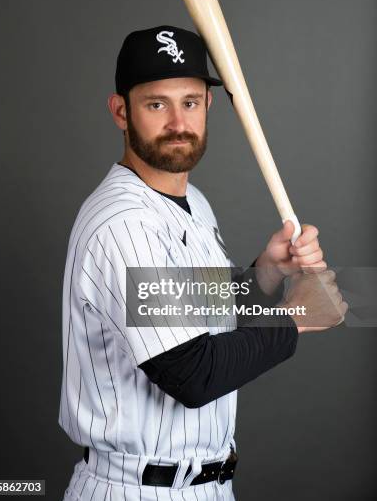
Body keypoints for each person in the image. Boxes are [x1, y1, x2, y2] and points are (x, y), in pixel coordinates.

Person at [59, 25, 347, 500]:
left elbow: (194, 315)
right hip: (136, 489)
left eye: (190, 102)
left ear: (208, 106)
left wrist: (265, 275)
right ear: (120, 112)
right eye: (156, 104)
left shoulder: (190, 200)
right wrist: (295, 318)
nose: (178, 121)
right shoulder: (123, 223)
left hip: (204, 485)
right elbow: (190, 373)